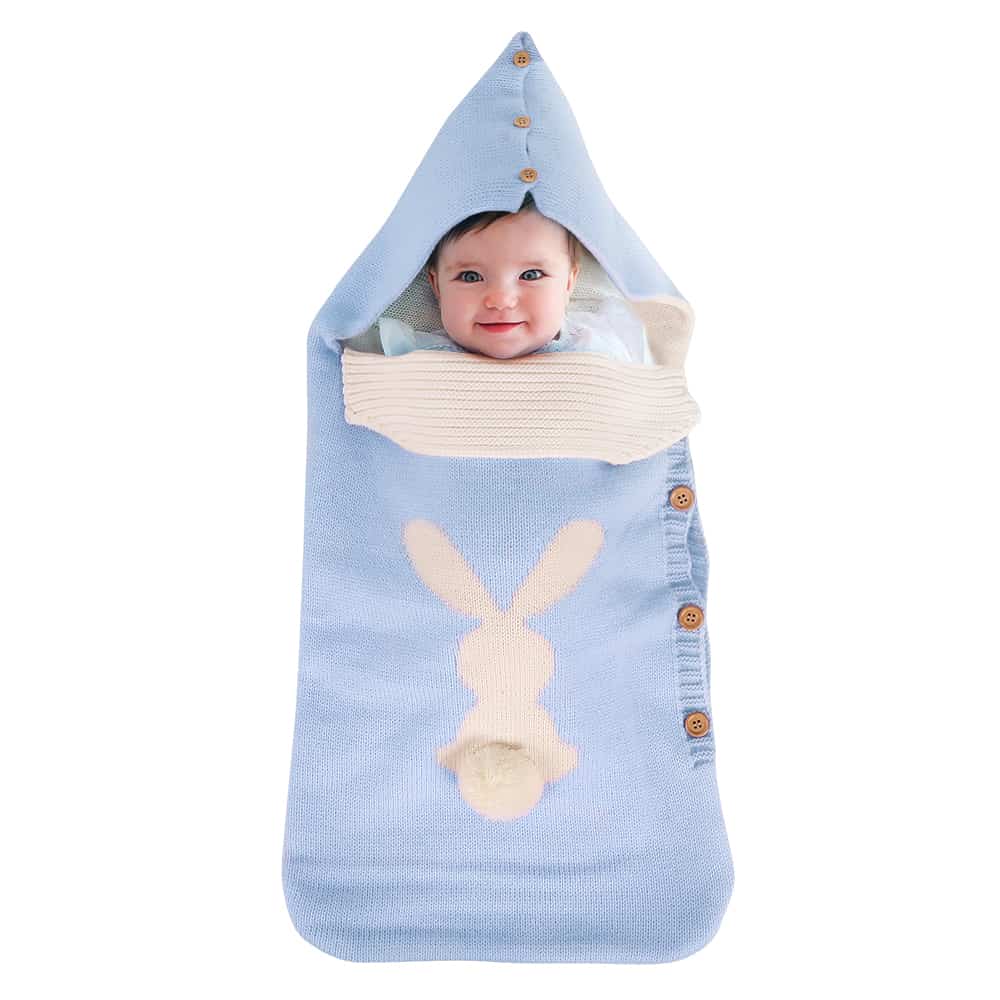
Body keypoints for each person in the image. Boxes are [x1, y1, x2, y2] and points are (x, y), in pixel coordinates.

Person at [378, 194, 651, 363]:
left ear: (569, 283)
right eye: (470, 276)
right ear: (436, 285)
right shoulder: (417, 360)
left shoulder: (598, 351)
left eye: (531, 275)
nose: (501, 300)